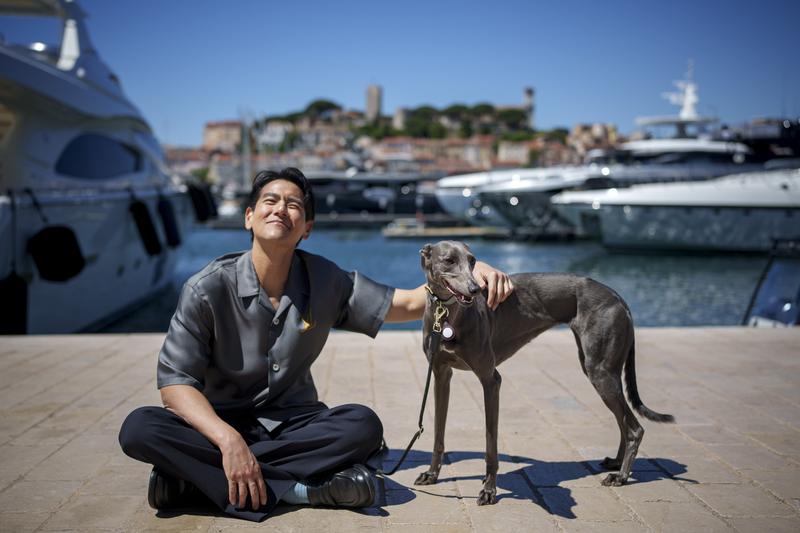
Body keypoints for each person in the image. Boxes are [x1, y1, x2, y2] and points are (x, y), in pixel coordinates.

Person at [118, 167, 513, 522]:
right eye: (269, 201)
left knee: (363, 425)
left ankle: (194, 483)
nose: (280, 210)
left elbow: (409, 302)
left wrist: (471, 271)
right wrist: (228, 441)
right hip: (219, 424)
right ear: (249, 217)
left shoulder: (325, 279)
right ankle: (299, 490)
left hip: (296, 425)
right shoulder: (205, 288)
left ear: (306, 226)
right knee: (139, 428)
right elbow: (174, 386)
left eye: (293, 205)